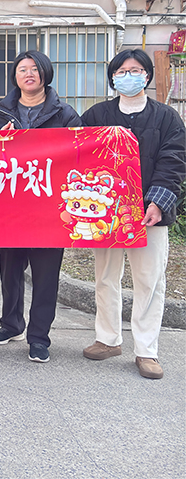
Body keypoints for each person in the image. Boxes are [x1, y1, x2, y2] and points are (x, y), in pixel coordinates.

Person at [80, 49, 185, 379]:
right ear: (112, 78)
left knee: (149, 280)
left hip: (150, 212)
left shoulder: (166, 118)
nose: (129, 76)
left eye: (136, 70)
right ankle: (108, 338)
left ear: (147, 76)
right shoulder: (96, 115)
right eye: (121, 71)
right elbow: (77, 153)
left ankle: (146, 350)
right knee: (105, 276)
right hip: (106, 213)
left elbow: (174, 161)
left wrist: (157, 203)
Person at [0, 50, 81, 363]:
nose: (28, 74)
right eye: (22, 69)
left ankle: (39, 337)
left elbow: (78, 155)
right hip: (10, 206)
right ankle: (11, 324)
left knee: (45, 275)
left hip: (50, 208)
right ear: (15, 76)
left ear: (45, 74)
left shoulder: (64, 114)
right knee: (9, 269)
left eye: (34, 69)